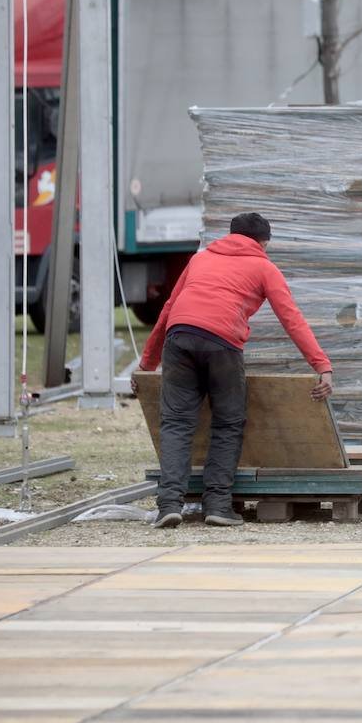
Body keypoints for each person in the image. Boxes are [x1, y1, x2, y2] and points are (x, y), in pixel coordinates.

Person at [133, 213, 334, 528]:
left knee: (176, 424)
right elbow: (291, 318)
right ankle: (217, 505)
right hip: (222, 342)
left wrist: (146, 366)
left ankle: (169, 505)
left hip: (179, 336)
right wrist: (321, 365)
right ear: (264, 242)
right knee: (227, 423)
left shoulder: (199, 260)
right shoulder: (264, 267)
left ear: (229, 235)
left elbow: (168, 309)